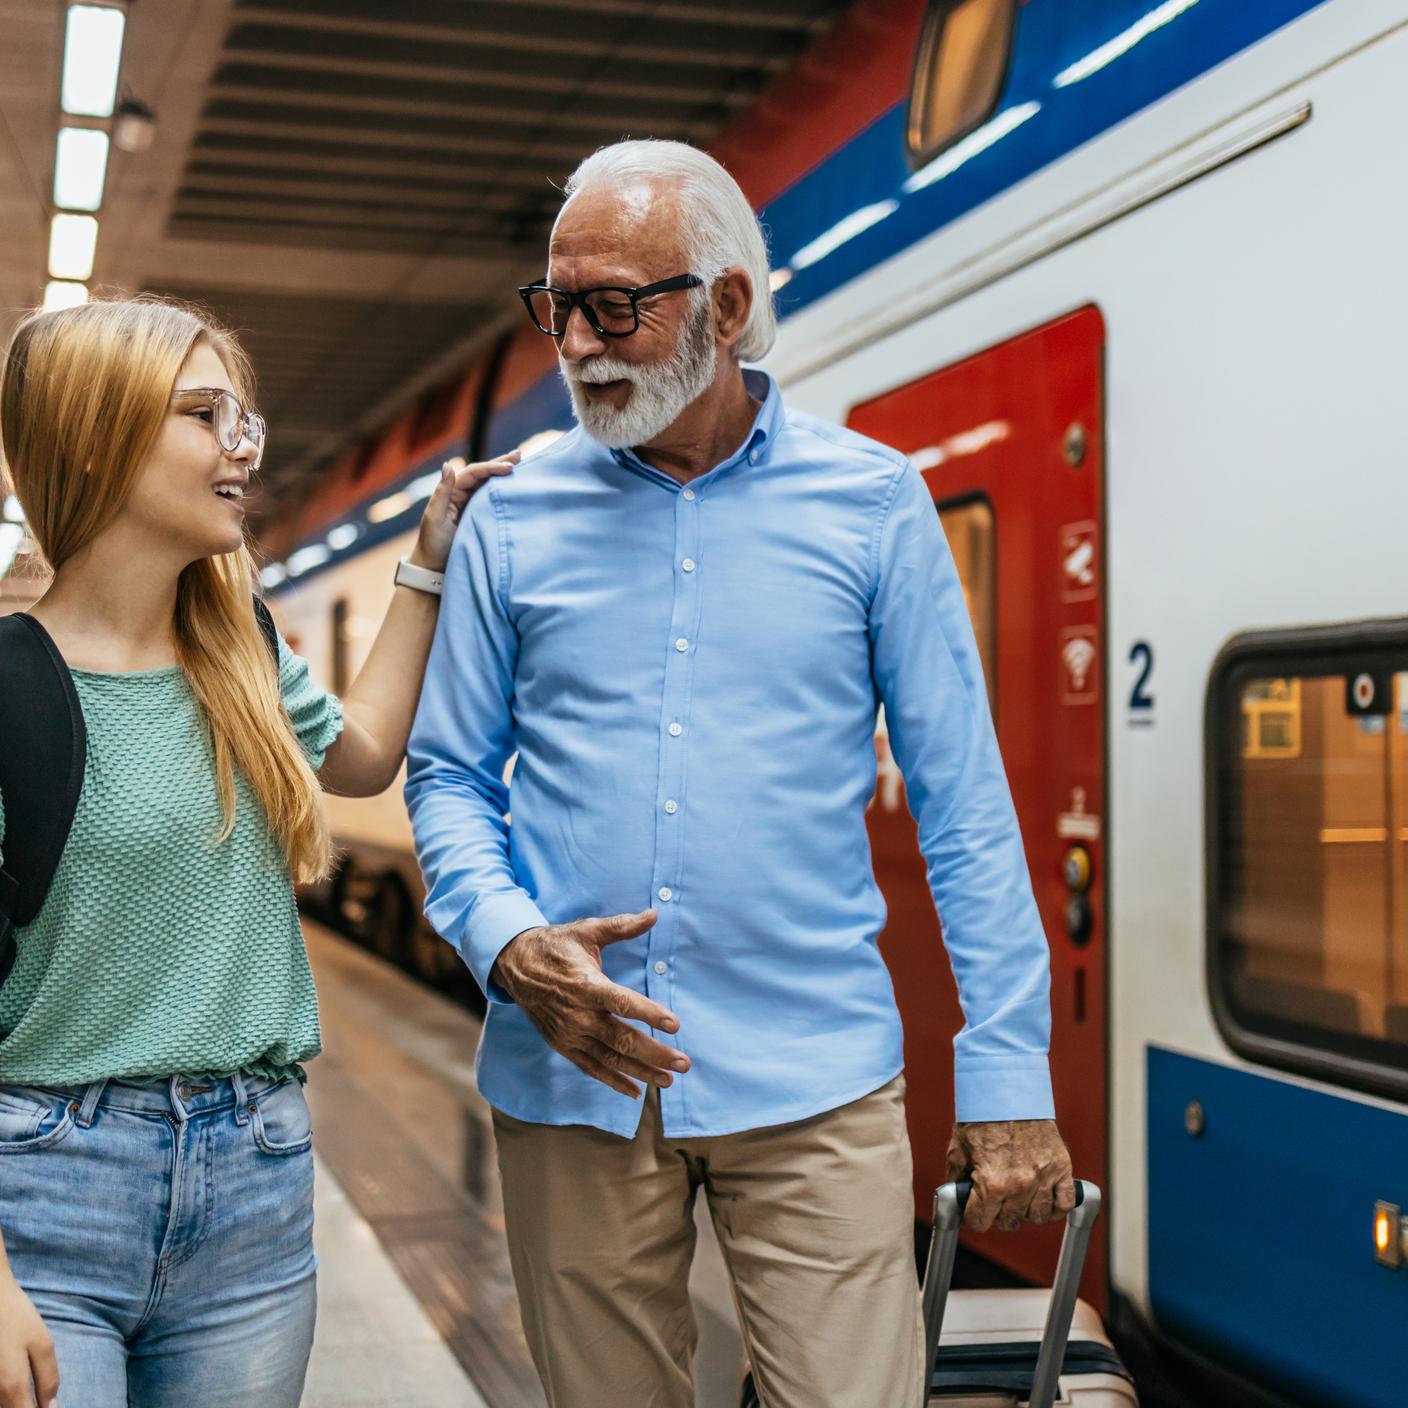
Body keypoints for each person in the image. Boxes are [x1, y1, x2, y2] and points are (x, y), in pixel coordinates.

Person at [405, 139, 1075, 1408]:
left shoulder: (874, 506)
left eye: (616, 308)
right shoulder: (511, 515)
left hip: (811, 1074)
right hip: (570, 1072)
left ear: (724, 306)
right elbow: (445, 777)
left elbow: (965, 809)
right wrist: (507, 944)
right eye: (559, 310)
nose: (581, 347)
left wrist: (1008, 1078)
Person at [0, 295, 511, 1408]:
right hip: (42, 1193)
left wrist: (424, 560)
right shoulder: (6, 685)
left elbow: (366, 757)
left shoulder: (242, 652)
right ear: (95, 437)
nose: (243, 441)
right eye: (203, 413)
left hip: (255, 1178)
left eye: (245, 416)